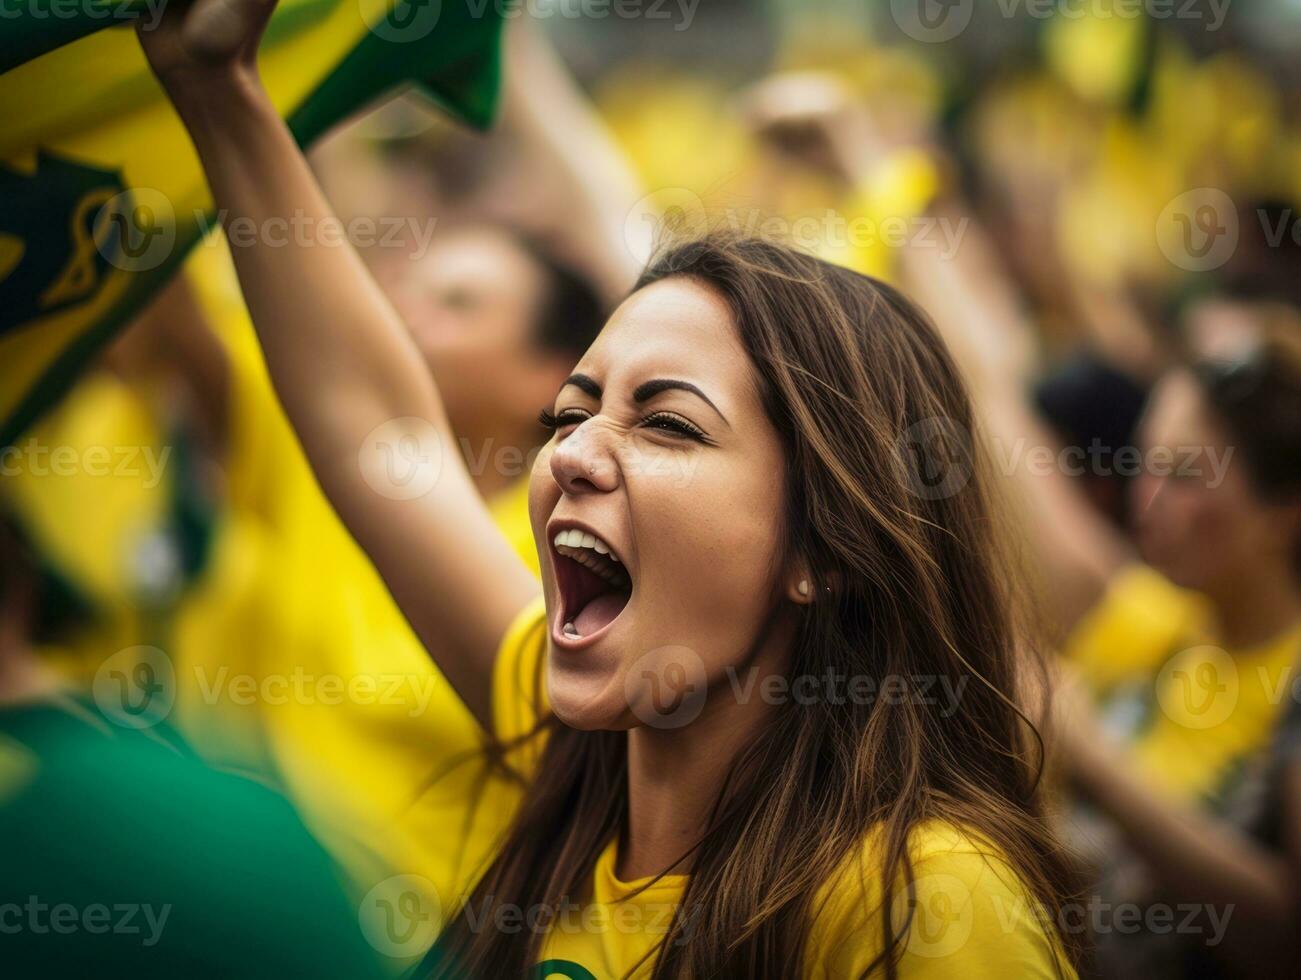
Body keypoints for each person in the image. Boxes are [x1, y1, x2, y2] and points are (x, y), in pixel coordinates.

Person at [136, 3, 1082, 976]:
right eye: (572, 410)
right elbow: (381, 434)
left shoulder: (921, 896)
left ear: (822, 547)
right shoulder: (572, 758)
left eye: (666, 422)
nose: (578, 452)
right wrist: (218, 91)